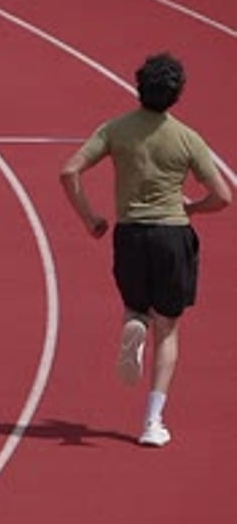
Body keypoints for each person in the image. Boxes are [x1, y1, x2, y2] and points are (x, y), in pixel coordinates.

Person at [60, 52, 232, 447]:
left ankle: (133, 323)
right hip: (172, 235)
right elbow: (223, 196)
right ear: (177, 94)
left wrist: (90, 219)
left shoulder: (115, 130)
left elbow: (68, 171)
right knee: (168, 328)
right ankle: (152, 422)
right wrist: (191, 207)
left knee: (137, 307)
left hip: (130, 233)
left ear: (139, 86)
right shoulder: (188, 138)